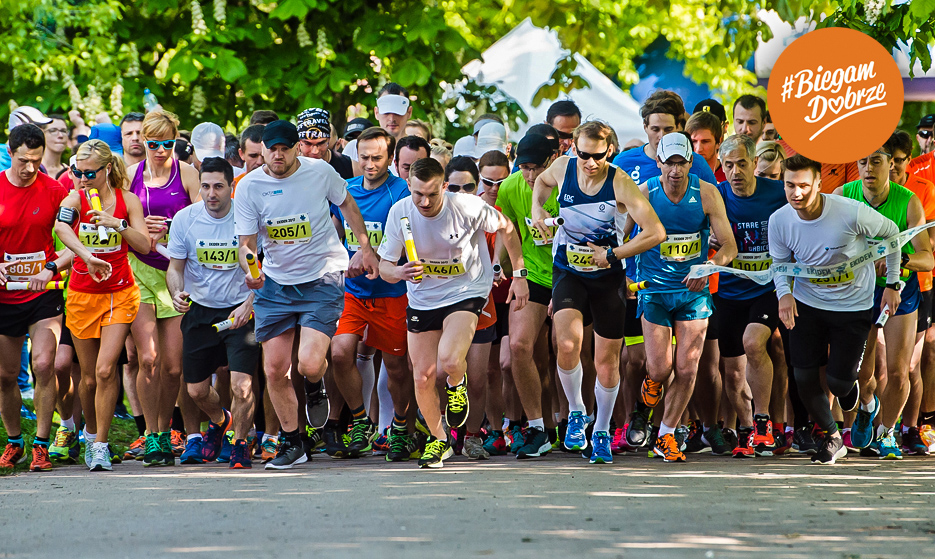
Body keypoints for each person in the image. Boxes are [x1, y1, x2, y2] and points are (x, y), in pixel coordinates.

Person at [234, 120, 380, 469]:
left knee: (310, 363)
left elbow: (347, 205)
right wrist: (251, 271)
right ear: (264, 150)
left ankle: (315, 386)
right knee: (274, 370)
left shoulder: (320, 172)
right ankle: (293, 442)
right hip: (276, 284)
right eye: (273, 149)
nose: (279, 155)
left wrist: (365, 247)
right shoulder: (250, 186)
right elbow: (246, 245)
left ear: (298, 147)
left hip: (322, 277)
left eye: (286, 148)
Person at [378, 157, 530, 468]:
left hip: (467, 292)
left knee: (448, 360)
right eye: (418, 193)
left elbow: (507, 228)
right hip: (422, 299)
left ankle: (456, 384)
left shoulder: (467, 206)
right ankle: (439, 440)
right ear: (408, 186)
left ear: (444, 187)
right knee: (422, 376)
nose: (424, 201)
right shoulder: (400, 212)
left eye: (432, 194)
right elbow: (383, 267)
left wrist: (520, 273)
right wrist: (400, 272)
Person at [532, 121, 666, 464]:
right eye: (583, 155)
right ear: (573, 148)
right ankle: (577, 412)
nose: (590, 163)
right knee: (565, 343)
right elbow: (542, 184)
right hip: (568, 271)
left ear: (609, 151)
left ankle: (602, 430)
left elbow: (655, 232)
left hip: (607, 277)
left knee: (606, 362)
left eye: (597, 156)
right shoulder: (562, 167)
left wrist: (613, 254)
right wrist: (538, 212)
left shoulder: (619, 181)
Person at [769, 154, 903, 464]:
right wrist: (783, 295)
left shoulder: (849, 212)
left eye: (804, 185)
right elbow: (779, 264)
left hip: (853, 306)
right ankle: (832, 437)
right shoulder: (779, 220)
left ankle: (863, 402)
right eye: (790, 185)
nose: (796, 193)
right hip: (808, 304)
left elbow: (893, 235)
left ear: (818, 183)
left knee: (839, 382)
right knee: (802, 377)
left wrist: (893, 284)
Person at [633, 133, 736, 463]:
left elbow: (729, 247)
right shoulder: (645, 193)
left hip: (693, 292)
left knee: (688, 367)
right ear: (659, 163)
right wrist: (625, 274)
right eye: (669, 162)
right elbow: (621, 236)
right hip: (655, 290)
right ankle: (651, 385)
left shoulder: (706, 194)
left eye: (682, 162)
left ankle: (666, 434)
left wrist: (709, 266)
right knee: (661, 368)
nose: (676, 170)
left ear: (691, 163)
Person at [55, 139, 151, 471]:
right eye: (77, 172)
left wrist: (119, 225)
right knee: (90, 379)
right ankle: (90, 431)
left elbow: (145, 243)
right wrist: (86, 256)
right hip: (82, 294)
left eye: (89, 173)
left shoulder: (128, 200)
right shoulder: (75, 198)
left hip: (120, 293)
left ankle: (100, 445)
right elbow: (61, 227)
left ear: (107, 169)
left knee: (106, 369)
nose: (82, 179)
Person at [835, 146, 933, 459]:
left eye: (876, 161)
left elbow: (927, 258)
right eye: (862, 161)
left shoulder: (907, 201)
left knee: (899, 371)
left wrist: (899, 259)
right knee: (862, 375)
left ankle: (886, 433)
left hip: (899, 289)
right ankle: (866, 406)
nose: (868, 168)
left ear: (890, 164)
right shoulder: (842, 195)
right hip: (858, 291)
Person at [167, 157, 258, 469]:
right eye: (205, 186)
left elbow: (264, 267)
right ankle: (222, 420)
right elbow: (174, 268)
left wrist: (251, 303)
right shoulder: (185, 220)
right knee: (196, 390)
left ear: (231, 187)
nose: (211, 193)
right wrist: (176, 292)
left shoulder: (246, 220)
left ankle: (241, 443)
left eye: (218, 186)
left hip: (240, 311)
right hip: (201, 312)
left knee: (241, 385)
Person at [328, 127, 413, 460]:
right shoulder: (344, 191)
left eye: (377, 158)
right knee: (339, 352)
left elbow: (412, 245)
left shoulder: (402, 193)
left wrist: (373, 255)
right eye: (363, 157)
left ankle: (402, 428)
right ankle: (360, 423)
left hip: (392, 293)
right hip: (353, 292)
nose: (369, 164)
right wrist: (341, 255)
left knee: (395, 367)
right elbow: (334, 233)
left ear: (390, 158)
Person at [125, 109, 202, 466]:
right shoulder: (129, 177)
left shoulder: (186, 174)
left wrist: (171, 227)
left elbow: (205, 224)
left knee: (173, 366)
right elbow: (118, 226)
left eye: (167, 144)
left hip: (176, 272)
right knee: (149, 359)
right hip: (139, 272)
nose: (159, 150)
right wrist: (142, 233)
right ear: (143, 142)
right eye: (153, 144)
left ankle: (169, 429)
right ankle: (153, 435)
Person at [0, 124, 70, 472]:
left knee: (44, 364)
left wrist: (51, 267)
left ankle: (42, 444)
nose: (30, 168)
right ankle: (15, 442)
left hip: (44, 291)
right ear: (10, 152)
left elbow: (78, 242)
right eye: (23, 160)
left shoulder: (55, 190)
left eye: (36, 161)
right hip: (4, 294)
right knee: (5, 375)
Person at [713, 134, 787, 457]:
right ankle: (745, 430)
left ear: (755, 163)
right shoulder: (715, 196)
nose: (735, 172)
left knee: (754, 342)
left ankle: (763, 421)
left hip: (767, 288)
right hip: (729, 292)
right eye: (728, 165)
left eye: (741, 164)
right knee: (731, 370)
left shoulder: (778, 194)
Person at [494, 133, 561, 458]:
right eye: (524, 168)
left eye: (536, 168)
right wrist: (507, 270)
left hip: (571, 275)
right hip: (532, 275)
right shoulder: (510, 186)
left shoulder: (569, 184)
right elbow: (509, 233)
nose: (530, 175)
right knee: (519, 347)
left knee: (569, 350)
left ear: (553, 159)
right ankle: (536, 428)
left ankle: (588, 421)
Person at [887, 129, 935, 454]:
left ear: (909, 160)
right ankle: (878, 424)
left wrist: (899, 257)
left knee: (912, 364)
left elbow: (927, 244)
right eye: (886, 162)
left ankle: (911, 427)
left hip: (920, 284)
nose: (892, 169)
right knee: (880, 362)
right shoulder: (861, 191)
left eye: (899, 162)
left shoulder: (923, 191)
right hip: (876, 288)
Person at [296, 108, 354, 179]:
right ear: (298, 142)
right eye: (308, 144)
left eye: (321, 143)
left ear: (328, 140)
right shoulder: (288, 166)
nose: (315, 151)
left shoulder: (350, 166)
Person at [686, 111, 724, 183]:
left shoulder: (729, 176)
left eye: (705, 141)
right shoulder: (680, 175)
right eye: (693, 141)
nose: (698, 148)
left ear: (719, 142)